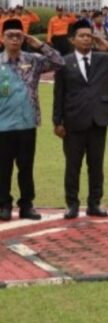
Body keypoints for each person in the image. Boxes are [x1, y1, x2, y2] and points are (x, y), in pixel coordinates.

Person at [53, 19, 108, 219]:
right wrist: (58, 122)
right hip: (73, 120)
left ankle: (94, 203)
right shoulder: (64, 62)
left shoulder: (103, 59)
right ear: (72, 40)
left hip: (98, 119)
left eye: (89, 35)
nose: (87, 39)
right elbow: (59, 94)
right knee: (73, 165)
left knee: (96, 165)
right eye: (82, 36)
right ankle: (72, 204)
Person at [0, 19, 63, 221]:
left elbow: (59, 63)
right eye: (10, 36)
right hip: (3, 125)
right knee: (3, 168)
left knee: (26, 167)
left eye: (19, 36)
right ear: (2, 39)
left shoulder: (33, 60)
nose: (15, 40)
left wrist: (40, 44)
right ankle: (4, 204)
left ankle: (27, 205)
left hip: (27, 124)